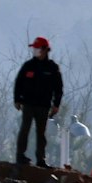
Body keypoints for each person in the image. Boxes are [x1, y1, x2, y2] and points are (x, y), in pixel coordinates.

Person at [12, 36, 64, 167]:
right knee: (25, 129)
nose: (35, 51)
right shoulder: (28, 66)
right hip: (28, 104)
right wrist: (17, 99)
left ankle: (41, 159)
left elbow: (58, 88)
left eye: (37, 48)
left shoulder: (52, 68)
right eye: (34, 48)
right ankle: (20, 155)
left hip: (43, 106)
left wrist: (56, 104)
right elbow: (19, 83)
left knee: (41, 133)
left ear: (45, 50)